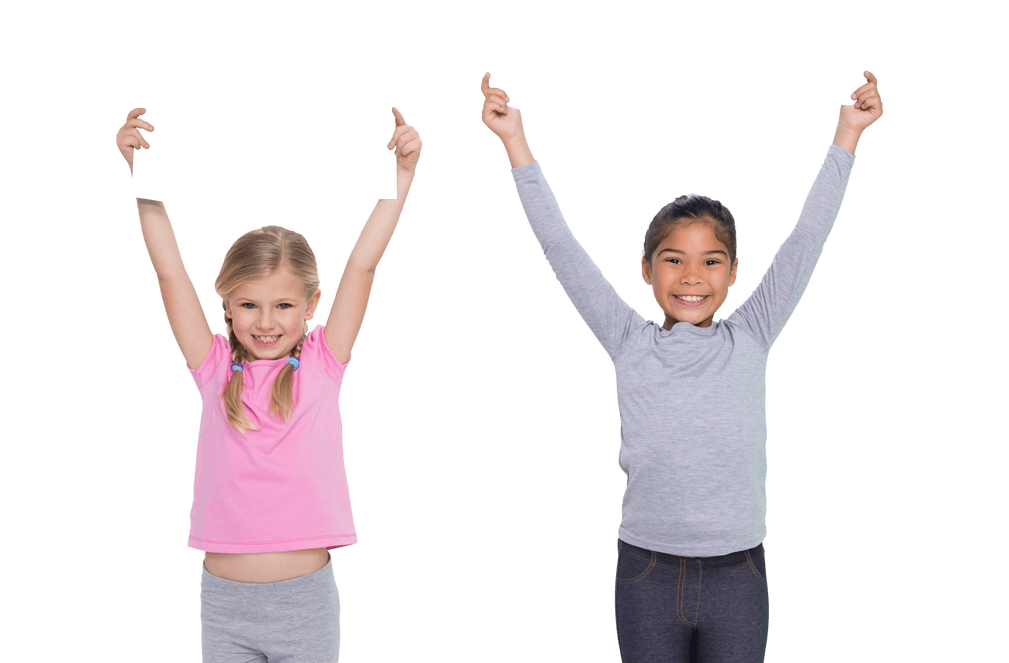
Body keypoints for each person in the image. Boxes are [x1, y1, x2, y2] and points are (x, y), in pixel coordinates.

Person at [478, 70, 884, 662]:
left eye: (711, 261)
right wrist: (516, 144)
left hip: (739, 572)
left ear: (733, 272)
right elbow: (561, 248)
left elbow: (806, 239)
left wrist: (847, 134)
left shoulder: (752, 333)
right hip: (646, 572)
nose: (692, 276)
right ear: (646, 270)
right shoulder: (627, 338)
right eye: (673, 260)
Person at [122, 104, 424, 662]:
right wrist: (144, 180)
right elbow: (170, 273)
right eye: (250, 305)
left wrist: (400, 178)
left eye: (283, 304)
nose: (266, 322)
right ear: (228, 309)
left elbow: (361, 266)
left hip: (304, 604)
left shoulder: (321, 363)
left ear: (312, 305)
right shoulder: (212, 366)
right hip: (222, 603)